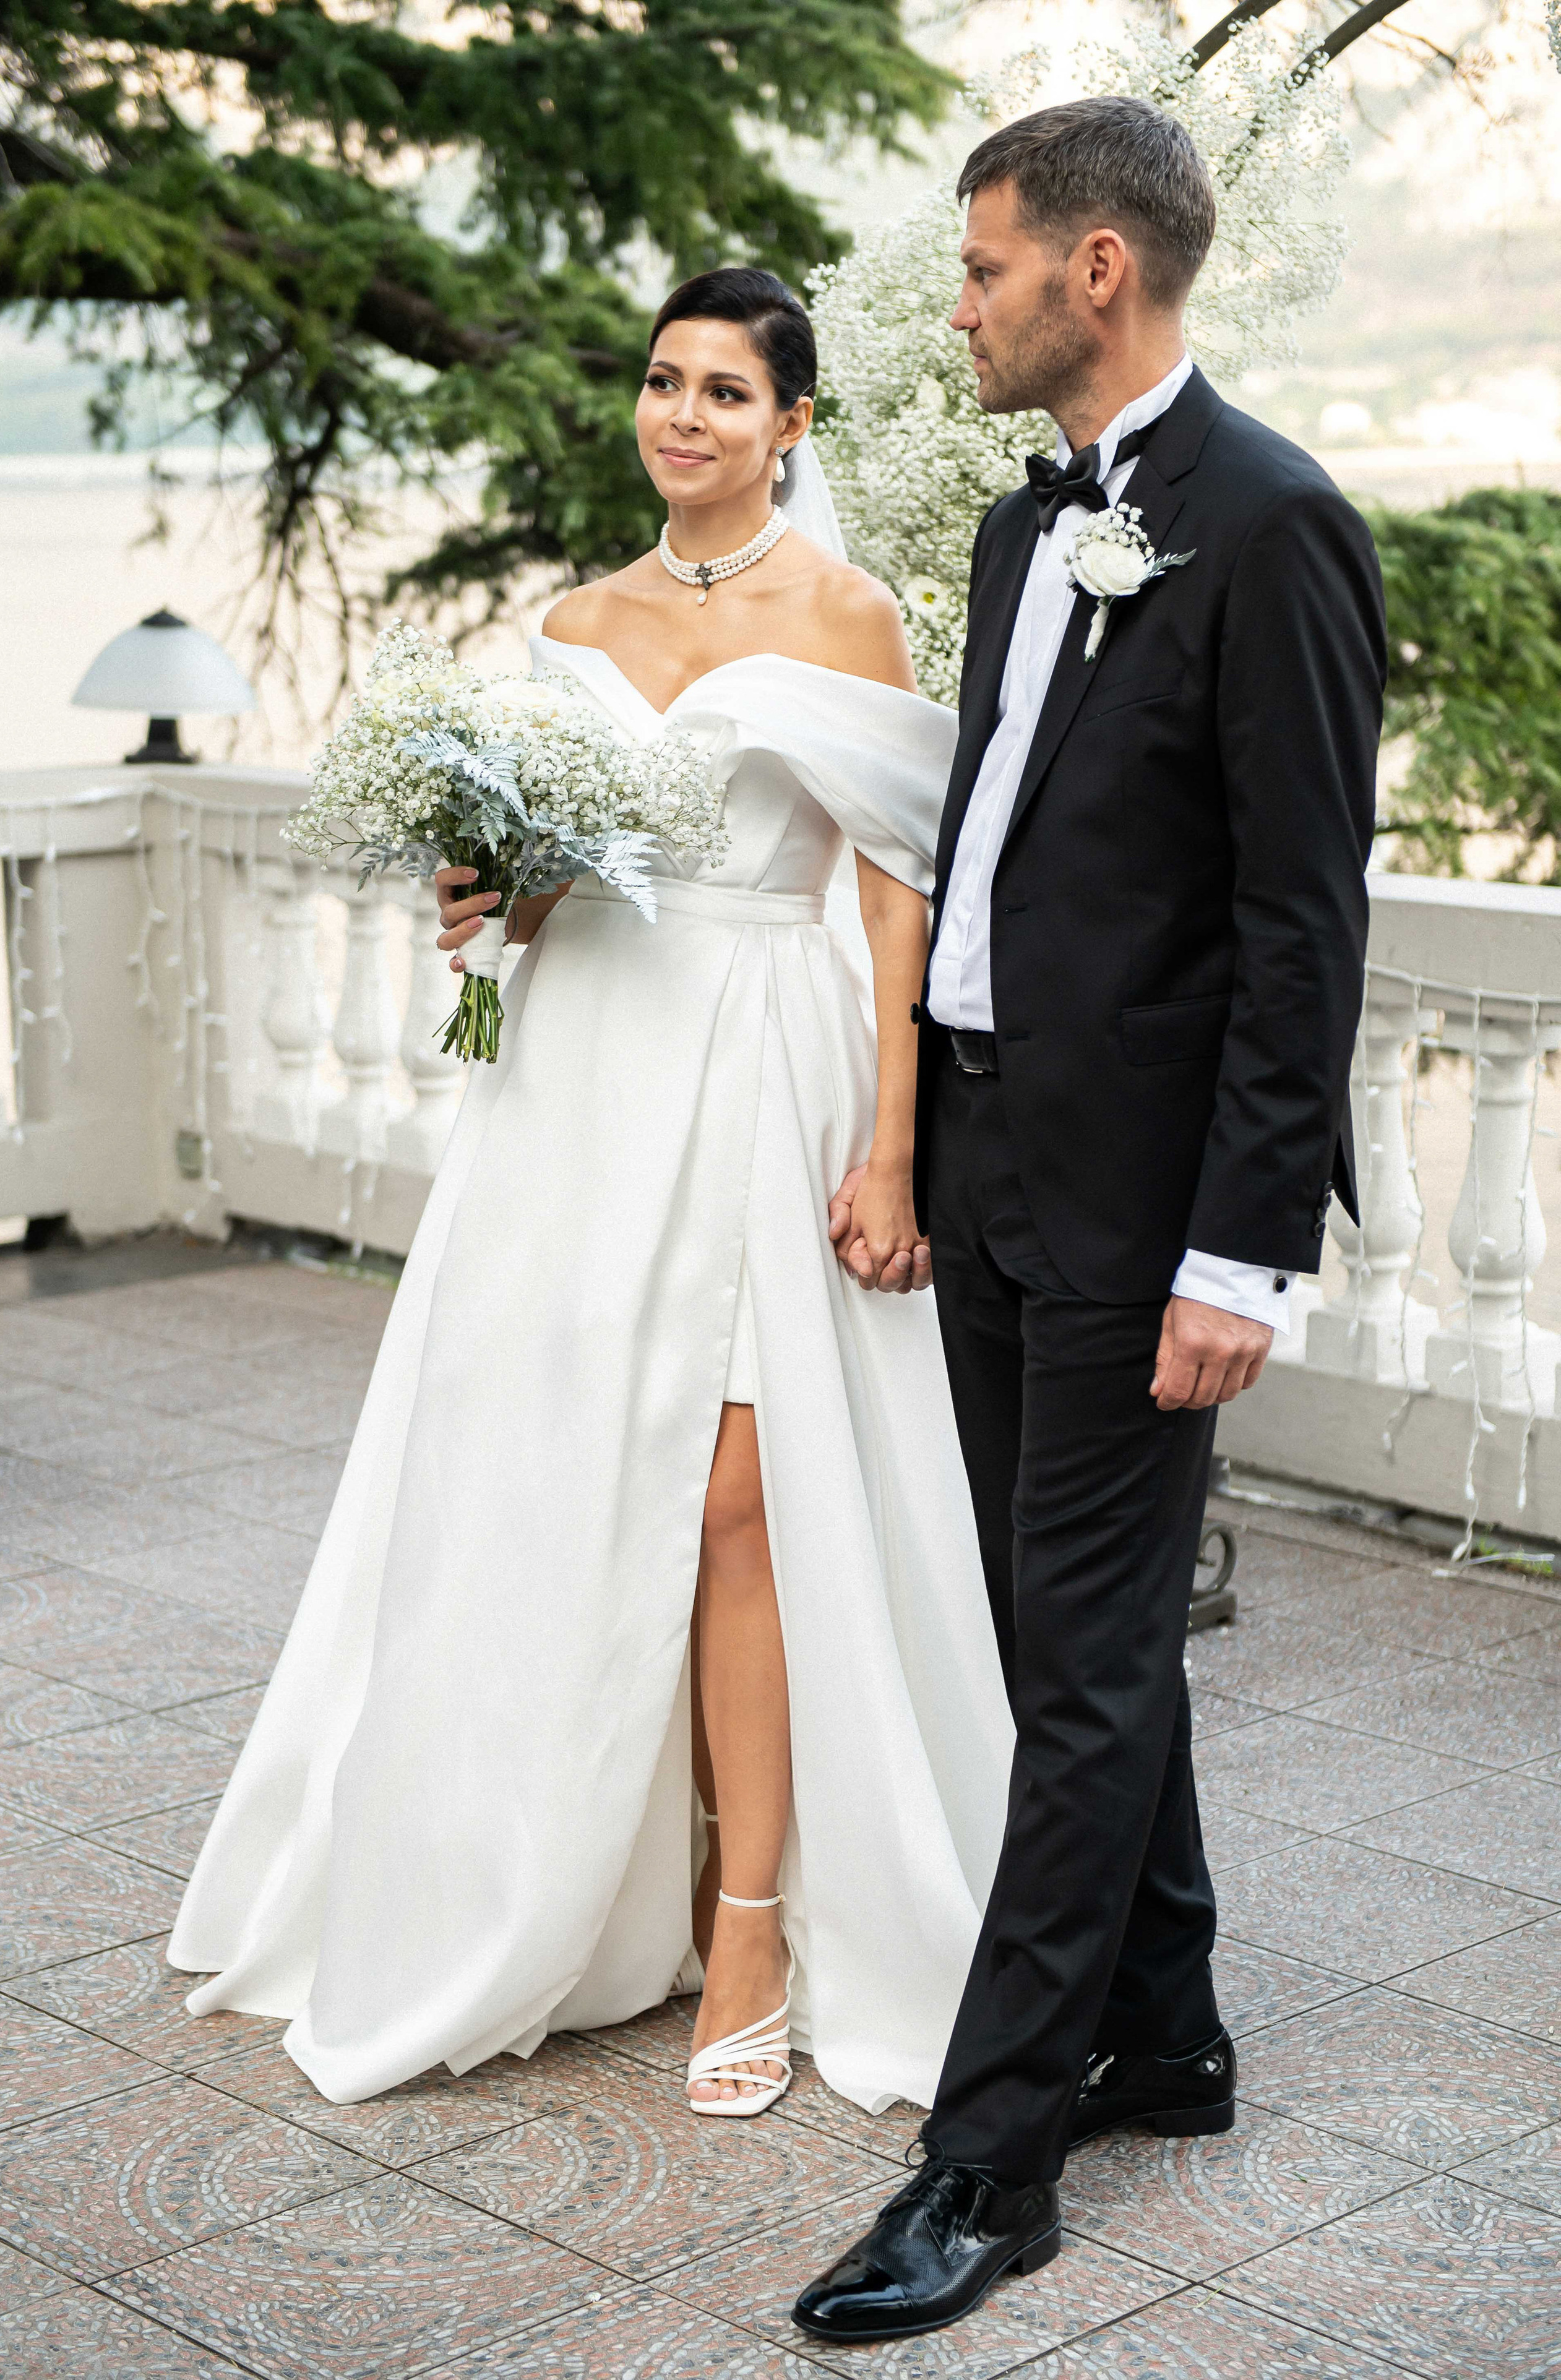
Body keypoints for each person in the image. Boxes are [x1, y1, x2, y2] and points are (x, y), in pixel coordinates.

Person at [168, 267, 1014, 2120]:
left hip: (763, 1065)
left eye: (727, 390)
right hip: (580, 1086)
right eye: (662, 382)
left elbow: (894, 893)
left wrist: (892, 1146)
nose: (684, 415)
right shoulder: (570, 621)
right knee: (563, 1473)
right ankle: (543, 1881)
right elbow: (547, 885)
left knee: (739, 1498)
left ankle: (759, 1923)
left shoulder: (849, 615)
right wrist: (489, 901)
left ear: (796, 424)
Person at [795, 97, 1385, 2342]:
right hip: (993, 1167)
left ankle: (996, 2155)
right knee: (1069, 1646)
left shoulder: (1276, 527)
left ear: (1096, 275)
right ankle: (1175, 2030)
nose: (959, 308)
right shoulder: (1025, 527)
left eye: (980, 271)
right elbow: (1004, 846)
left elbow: (1296, 930)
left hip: (1154, 1218)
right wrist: (920, 1148)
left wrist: (1245, 1255)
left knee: (1087, 1660)